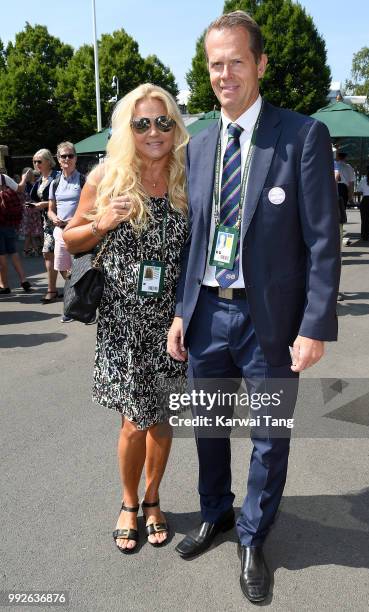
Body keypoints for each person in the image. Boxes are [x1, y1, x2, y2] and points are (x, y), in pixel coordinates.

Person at [167, 11, 340, 604]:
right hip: (209, 313)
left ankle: (252, 536)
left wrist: (314, 325)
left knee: (269, 436)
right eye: (216, 64)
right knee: (209, 428)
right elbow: (195, 239)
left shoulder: (302, 135)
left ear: (261, 64)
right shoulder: (199, 142)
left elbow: (323, 241)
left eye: (236, 61)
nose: (225, 73)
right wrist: (182, 312)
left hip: (273, 323)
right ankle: (216, 513)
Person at [63, 84, 189, 553]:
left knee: (161, 419)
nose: (153, 131)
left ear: (174, 127)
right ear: (127, 130)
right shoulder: (106, 178)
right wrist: (101, 223)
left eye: (162, 121)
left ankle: (155, 498)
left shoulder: (186, 178)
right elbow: (72, 240)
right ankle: (129, 501)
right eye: (142, 123)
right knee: (134, 422)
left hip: (172, 322)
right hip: (123, 321)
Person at [48, 142, 85, 323]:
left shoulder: (83, 180)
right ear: (58, 159)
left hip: (78, 230)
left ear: (76, 158)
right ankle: (76, 299)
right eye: (63, 156)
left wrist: (75, 220)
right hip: (60, 232)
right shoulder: (55, 182)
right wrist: (53, 217)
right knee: (64, 270)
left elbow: (91, 207)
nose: (67, 159)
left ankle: (73, 309)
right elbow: (50, 209)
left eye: (70, 156)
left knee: (82, 268)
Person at [30, 149, 60, 302]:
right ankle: (53, 289)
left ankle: (59, 288)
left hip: (59, 221)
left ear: (49, 161)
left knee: (52, 253)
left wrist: (44, 204)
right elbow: (36, 197)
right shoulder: (40, 179)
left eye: (39, 161)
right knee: (50, 254)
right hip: (46, 222)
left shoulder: (58, 177)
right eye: (34, 161)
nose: (36, 164)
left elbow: (63, 199)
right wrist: (34, 205)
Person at [0, 171, 32, 294]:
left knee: (1, 255)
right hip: (9, 222)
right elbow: (20, 188)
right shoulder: (3, 177)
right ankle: (23, 279)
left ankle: (4, 285)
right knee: (13, 252)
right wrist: (23, 178)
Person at [19, 168, 43, 256]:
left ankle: (34, 249)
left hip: (34, 210)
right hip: (28, 211)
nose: (29, 175)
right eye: (27, 174)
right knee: (31, 232)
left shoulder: (36, 184)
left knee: (33, 232)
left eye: (30, 173)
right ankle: (33, 249)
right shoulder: (23, 185)